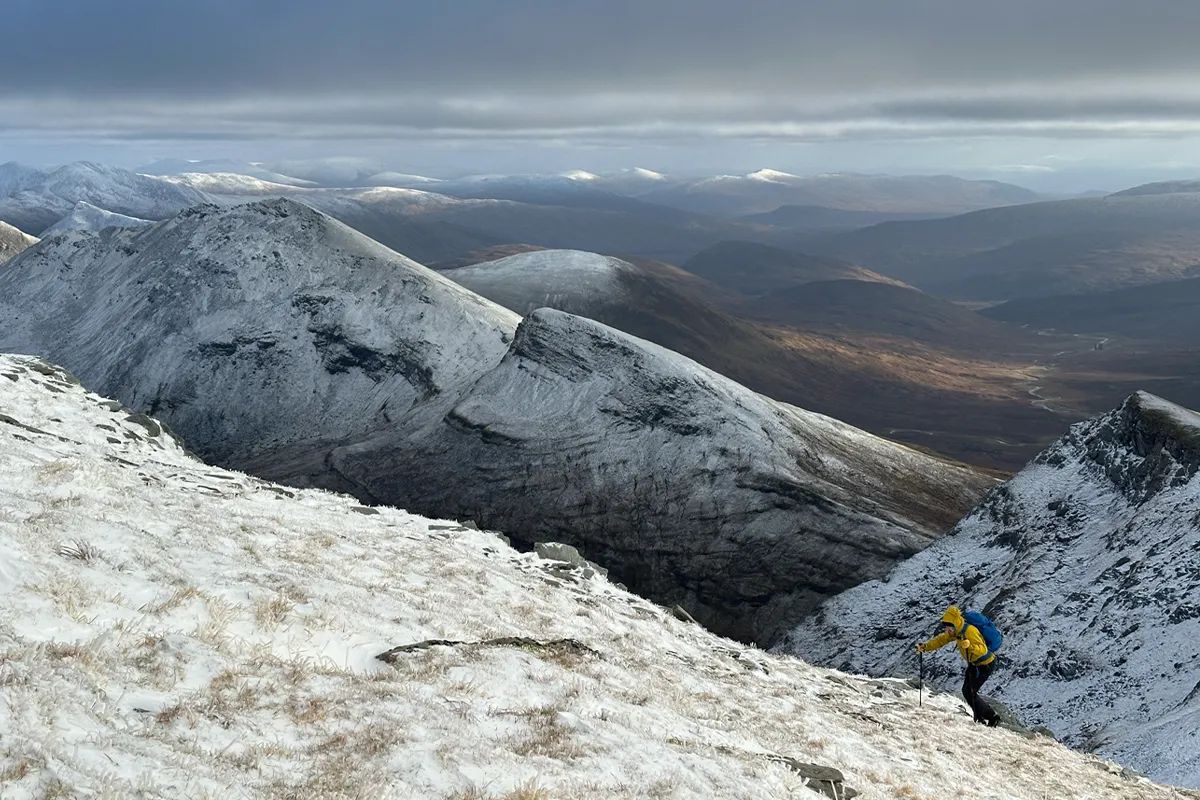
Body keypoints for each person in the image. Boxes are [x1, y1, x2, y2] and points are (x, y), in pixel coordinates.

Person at [916, 605, 1000, 726]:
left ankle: (992, 717)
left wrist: (970, 646)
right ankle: (980, 717)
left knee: (969, 692)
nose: (947, 631)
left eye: (949, 628)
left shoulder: (970, 631)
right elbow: (941, 640)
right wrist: (925, 647)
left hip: (985, 664)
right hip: (974, 664)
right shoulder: (957, 631)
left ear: (955, 624)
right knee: (967, 691)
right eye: (946, 628)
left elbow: (983, 650)